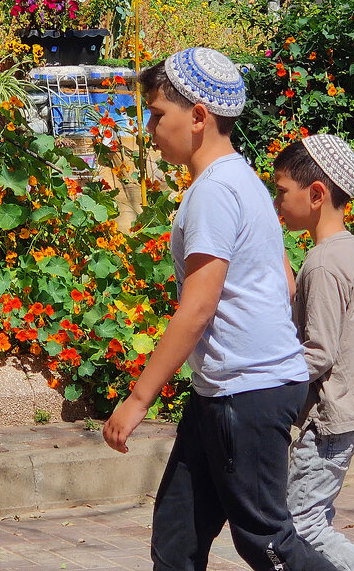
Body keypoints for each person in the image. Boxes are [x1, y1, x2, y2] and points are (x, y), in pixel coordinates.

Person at [103, 47, 340, 571]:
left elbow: (199, 306)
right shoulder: (244, 180)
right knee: (178, 535)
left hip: (246, 392)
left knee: (266, 540)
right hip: (229, 389)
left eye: (158, 113)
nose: (149, 127)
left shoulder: (214, 191)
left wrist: (139, 399)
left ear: (198, 117)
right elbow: (282, 278)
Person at [273, 135, 354, 571]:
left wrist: (268, 380)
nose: (279, 201)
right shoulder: (352, 252)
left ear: (316, 194)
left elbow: (317, 352)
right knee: (312, 515)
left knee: (303, 525)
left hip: (328, 419)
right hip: (351, 411)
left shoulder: (322, 263)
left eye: (283, 190)